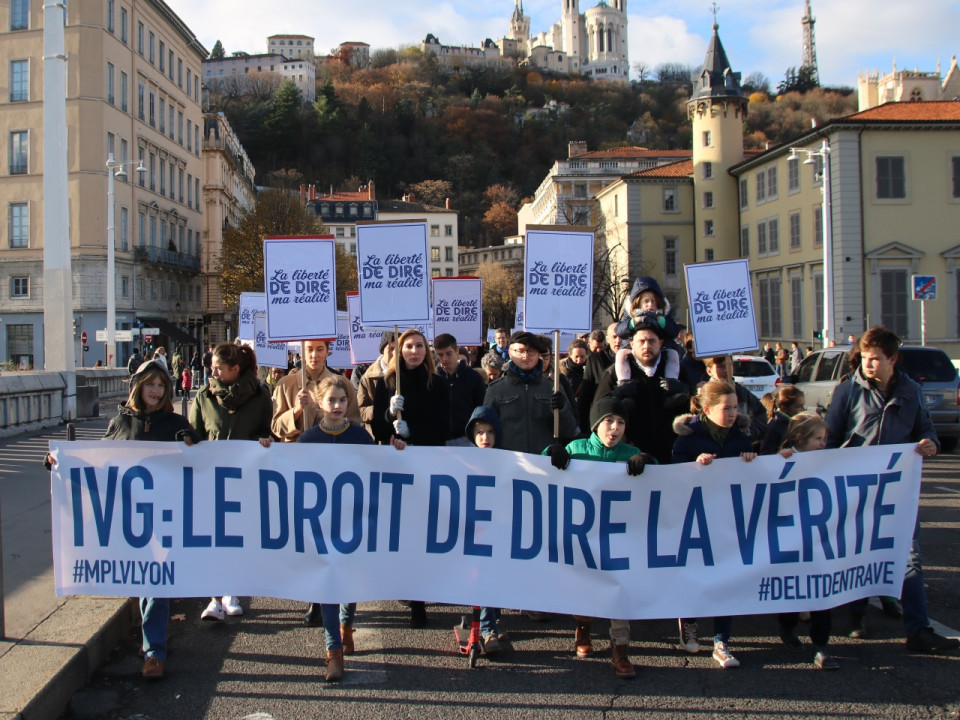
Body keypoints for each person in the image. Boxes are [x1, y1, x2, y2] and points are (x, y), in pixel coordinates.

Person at [45, 360, 201, 679]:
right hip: (126, 519)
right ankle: (151, 641)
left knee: (154, 581)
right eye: (150, 384)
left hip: (162, 518)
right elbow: (98, 465)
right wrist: (60, 462)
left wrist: (192, 443)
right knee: (143, 580)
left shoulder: (175, 423)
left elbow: (202, 463)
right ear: (138, 386)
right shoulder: (120, 423)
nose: (156, 391)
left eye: (160, 385)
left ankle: (155, 652)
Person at [824, 327, 958, 653]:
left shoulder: (910, 391)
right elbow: (830, 436)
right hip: (856, 486)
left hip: (896, 487)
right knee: (856, 552)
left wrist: (931, 443)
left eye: (875, 359)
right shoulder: (848, 390)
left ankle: (918, 630)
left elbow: (924, 428)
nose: (867, 365)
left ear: (892, 359)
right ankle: (856, 616)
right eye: (865, 359)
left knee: (909, 556)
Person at [297, 375, 407, 681]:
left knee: (350, 577)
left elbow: (379, 469)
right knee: (329, 581)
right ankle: (333, 650)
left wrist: (396, 449)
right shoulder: (307, 440)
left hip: (354, 520)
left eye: (342, 400)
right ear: (319, 402)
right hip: (321, 524)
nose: (337, 406)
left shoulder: (360, 437)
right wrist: (266, 447)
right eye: (331, 400)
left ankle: (347, 624)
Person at [545, 396, 655, 678]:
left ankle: (620, 648)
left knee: (620, 589)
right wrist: (552, 452)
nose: (614, 428)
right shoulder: (578, 449)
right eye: (608, 421)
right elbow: (544, 469)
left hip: (619, 537)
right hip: (584, 534)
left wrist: (647, 461)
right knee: (585, 585)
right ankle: (583, 625)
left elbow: (658, 479)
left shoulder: (631, 451)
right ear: (595, 425)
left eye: (619, 423)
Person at [672, 379, 757, 668]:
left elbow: (751, 475)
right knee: (696, 572)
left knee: (726, 577)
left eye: (735, 407)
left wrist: (750, 459)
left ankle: (722, 640)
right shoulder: (688, 439)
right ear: (707, 409)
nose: (732, 413)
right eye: (726, 408)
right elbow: (672, 472)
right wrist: (693, 463)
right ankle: (689, 620)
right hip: (696, 517)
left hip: (728, 518)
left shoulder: (741, 438)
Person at [372, 329, 451, 627]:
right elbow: (380, 433)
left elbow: (444, 428)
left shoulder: (439, 384)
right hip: (397, 468)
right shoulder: (388, 384)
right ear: (399, 350)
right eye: (409, 346)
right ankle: (407, 590)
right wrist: (389, 419)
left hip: (428, 465)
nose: (415, 351)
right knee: (402, 533)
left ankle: (419, 599)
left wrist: (412, 432)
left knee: (422, 533)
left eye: (420, 346)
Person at [189, 343, 273, 622]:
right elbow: (194, 435)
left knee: (239, 539)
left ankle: (233, 592)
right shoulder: (203, 396)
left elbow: (267, 432)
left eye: (217, 367)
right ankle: (214, 598)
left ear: (235, 369)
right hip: (211, 481)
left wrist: (264, 441)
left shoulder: (261, 397)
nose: (211, 371)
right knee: (213, 540)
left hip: (246, 480)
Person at [775, 412, 839, 670]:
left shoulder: (826, 460)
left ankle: (821, 645)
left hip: (818, 538)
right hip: (791, 539)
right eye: (818, 439)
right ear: (800, 439)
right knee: (793, 591)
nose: (823, 444)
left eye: (825, 439)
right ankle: (787, 627)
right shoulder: (781, 458)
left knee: (822, 593)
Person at [592, 315, 691, 464]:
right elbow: (596, 412)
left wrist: (687, 392)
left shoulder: (676, 372)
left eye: (652, 341)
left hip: (670, 455)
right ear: (631, 343)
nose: (646, 346)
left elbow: (694, 412)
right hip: (629, 456)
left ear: (661, 343)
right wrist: (617, 396)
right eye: (641, 341)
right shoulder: (615, 373)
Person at [483, 331, 578, 455]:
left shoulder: (553, 388)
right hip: (508, 464)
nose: (526, 355)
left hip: (543, 461)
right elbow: (484, 430)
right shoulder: (496, 389)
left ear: (538, 354)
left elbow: (569, 431)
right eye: (520, 351)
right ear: (510, 353)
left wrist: (562, 410)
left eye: (531, 351)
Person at [464, 405, 508, 654]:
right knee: (481, 578)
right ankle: (487, 628)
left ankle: (493, 620)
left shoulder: (507, 460)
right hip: (474, 530)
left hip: (498, 528)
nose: (485, 438)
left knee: (494, 578)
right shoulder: (465, 460)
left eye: (490, 432)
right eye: (480, 432)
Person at [271, 339, 361, 444]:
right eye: (309, 349)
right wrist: (297, 410)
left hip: (332, 452)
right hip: (296, 454)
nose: (314, 355)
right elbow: (277, 428)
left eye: (320, 349)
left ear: (327, 351)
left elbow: (354, 424)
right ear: (302, 352)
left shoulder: (343, 384)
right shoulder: (285, 384)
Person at [613, 276, 681, 384]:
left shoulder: (663, 314)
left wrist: (662, 321)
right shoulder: (631, 314)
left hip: (661, 347)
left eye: (653, 301)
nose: (650, 305)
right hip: (631, 347)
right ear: (638, 302)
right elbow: (619, 330)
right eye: (646, 301)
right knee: (621, 355)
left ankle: (671, 380)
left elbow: (674, 331)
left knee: (673, 355)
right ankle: (623, 381)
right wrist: (633, 322)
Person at [702, 355, 768, 449]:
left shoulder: (742, 393)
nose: (726, 370)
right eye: (721, 366)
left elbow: (761, 417)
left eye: (729, 365)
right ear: (709, 371)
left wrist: (748, 434)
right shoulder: (704, 395)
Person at [434, 333, 487, 446]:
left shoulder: (474, 377)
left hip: (466, 439)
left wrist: (473, 432)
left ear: (457, 350)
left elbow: (481, 408)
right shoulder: (432, 378)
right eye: (440, 355)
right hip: (438, 440)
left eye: (448, 354)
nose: (444, 359)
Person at [577, 323, 620, 431]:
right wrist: (583, 426)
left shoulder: (632, 360)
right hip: (602, 418)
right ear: (608, 339)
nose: (618, 341)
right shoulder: (595, 359)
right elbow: (586, 395)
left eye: (622, 336)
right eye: (614, 337)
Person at [357, 332, 396, 438]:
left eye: (399, 348)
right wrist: (381, 409)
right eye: (391, 348)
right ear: (383, 350)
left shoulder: (408, 373)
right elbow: (361, 411)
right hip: (377, 440)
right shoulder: (368, 377)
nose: (395, 353)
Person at [758, 385, 805, 455]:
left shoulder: (798, 424)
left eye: (803, 406)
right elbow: (766, 454)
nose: (803, 410)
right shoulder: (774, 427)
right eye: (799, 406)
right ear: (784, 408)